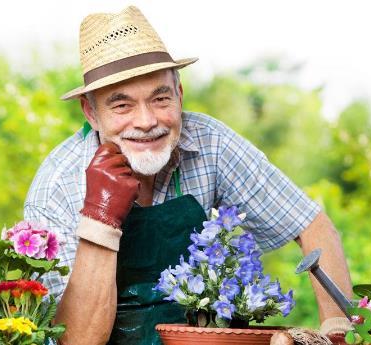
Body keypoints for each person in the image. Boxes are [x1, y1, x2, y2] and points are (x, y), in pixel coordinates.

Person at [24, 5, 352, 345]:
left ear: (179, 94)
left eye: (160, 98)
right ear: (91, 112)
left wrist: (338, 332)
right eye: (122, 105)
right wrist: (100, 217)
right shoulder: (57, 187)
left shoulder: (211, 143)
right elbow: (76, 342)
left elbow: (313, 226)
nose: (147, 121)